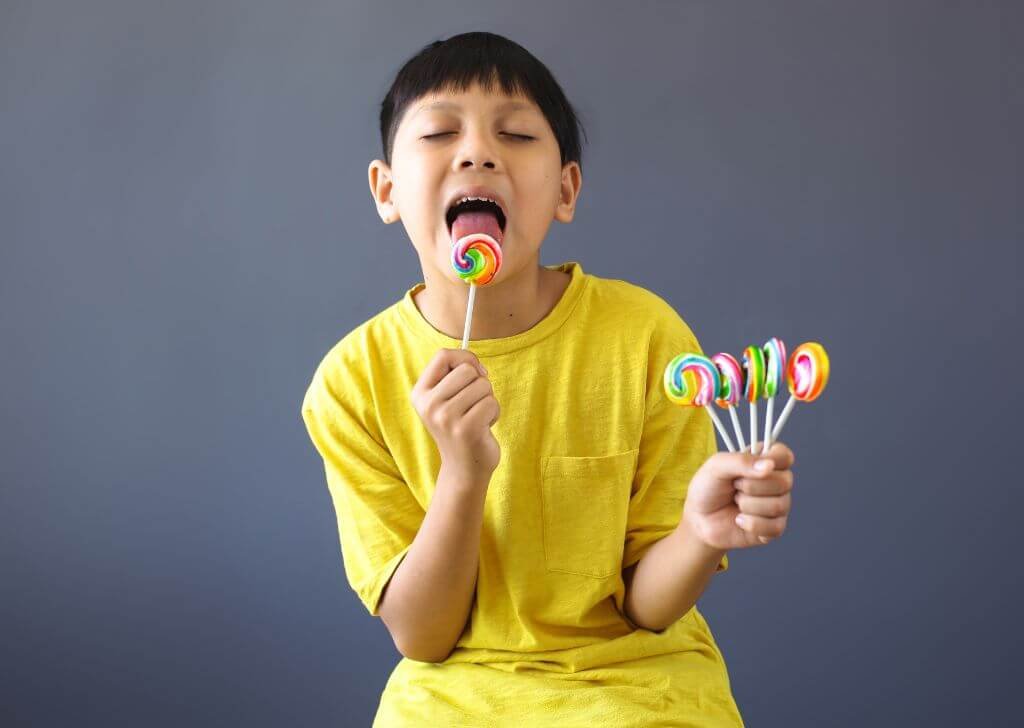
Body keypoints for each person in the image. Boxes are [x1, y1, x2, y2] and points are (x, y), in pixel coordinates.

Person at [300, 31, 796, 727]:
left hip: (638, 683)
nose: (477, 152)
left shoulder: (646, 338)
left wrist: (699, 531)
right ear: (387, 191)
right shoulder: (351, 383)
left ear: (565, 190)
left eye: (518, 135)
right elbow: (423, 636)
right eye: (440, 131)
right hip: (457, 693)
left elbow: (647, 608)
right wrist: (464, 474)